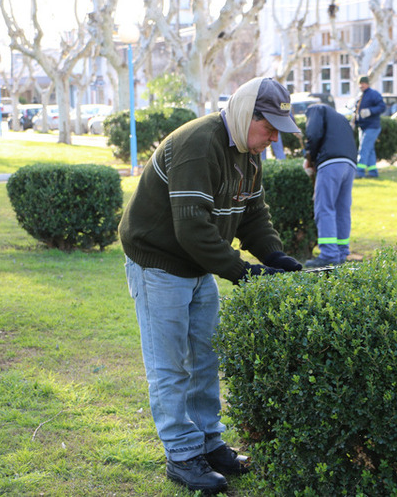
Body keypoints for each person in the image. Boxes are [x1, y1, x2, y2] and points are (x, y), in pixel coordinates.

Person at [119, 77, 304, 493]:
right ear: (245, 115)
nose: (274, 137)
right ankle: (183, 456)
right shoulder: (199, 145)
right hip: (159, 263)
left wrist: (274, 257)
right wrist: (245, 273)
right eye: (269, 127)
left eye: (279, 129)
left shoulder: (249, 151)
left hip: (198, 263)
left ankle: (209, 442)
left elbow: (253, 215)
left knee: (205, 357)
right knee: (169, 365)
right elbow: (192, 230)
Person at [302, 104, 357, 268]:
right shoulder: (340, 117)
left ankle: (329, 254)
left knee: (324, 207)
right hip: (349, 164)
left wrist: (309, 157)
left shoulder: (315, 109)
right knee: (342, 209)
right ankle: (341, 252)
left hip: (330, 163)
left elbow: (313, 133)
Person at [353, 76, 386, 178]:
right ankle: (373, 172)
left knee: (364, 148)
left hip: (372, 126)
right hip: (363, 127)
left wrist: (370, 111)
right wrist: (355, 122)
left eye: (363, 83)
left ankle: (359, 171)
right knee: (369, 149)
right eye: (360, 83)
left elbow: (382, 107)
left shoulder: (374, 94)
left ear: (367, 84)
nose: (361, 85)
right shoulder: (360, 96)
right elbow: (357, 111)